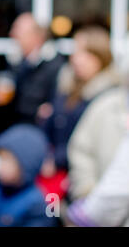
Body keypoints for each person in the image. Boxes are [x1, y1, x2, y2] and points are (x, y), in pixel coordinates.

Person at [38, 25, 121, 201]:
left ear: (101, 57)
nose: (76, 59)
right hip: (56, 180)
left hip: (83, 184)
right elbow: (53, 126)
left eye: (85, 53)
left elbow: (96, 146)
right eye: (75, 51)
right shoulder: (67, 84)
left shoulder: (108, 97)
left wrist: (56, 160)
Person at [0, 124, 57, 227]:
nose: (1, 166)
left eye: (7, 160)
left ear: (27, 165)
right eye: (0, 158)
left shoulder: (37, 206)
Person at [7, 12, 65, 126]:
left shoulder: (54, 64)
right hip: (16, 126)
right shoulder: (15, 61)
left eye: (18, 32)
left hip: (39, 129)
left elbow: (57, 102)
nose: (12, 34)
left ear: (36, 37)